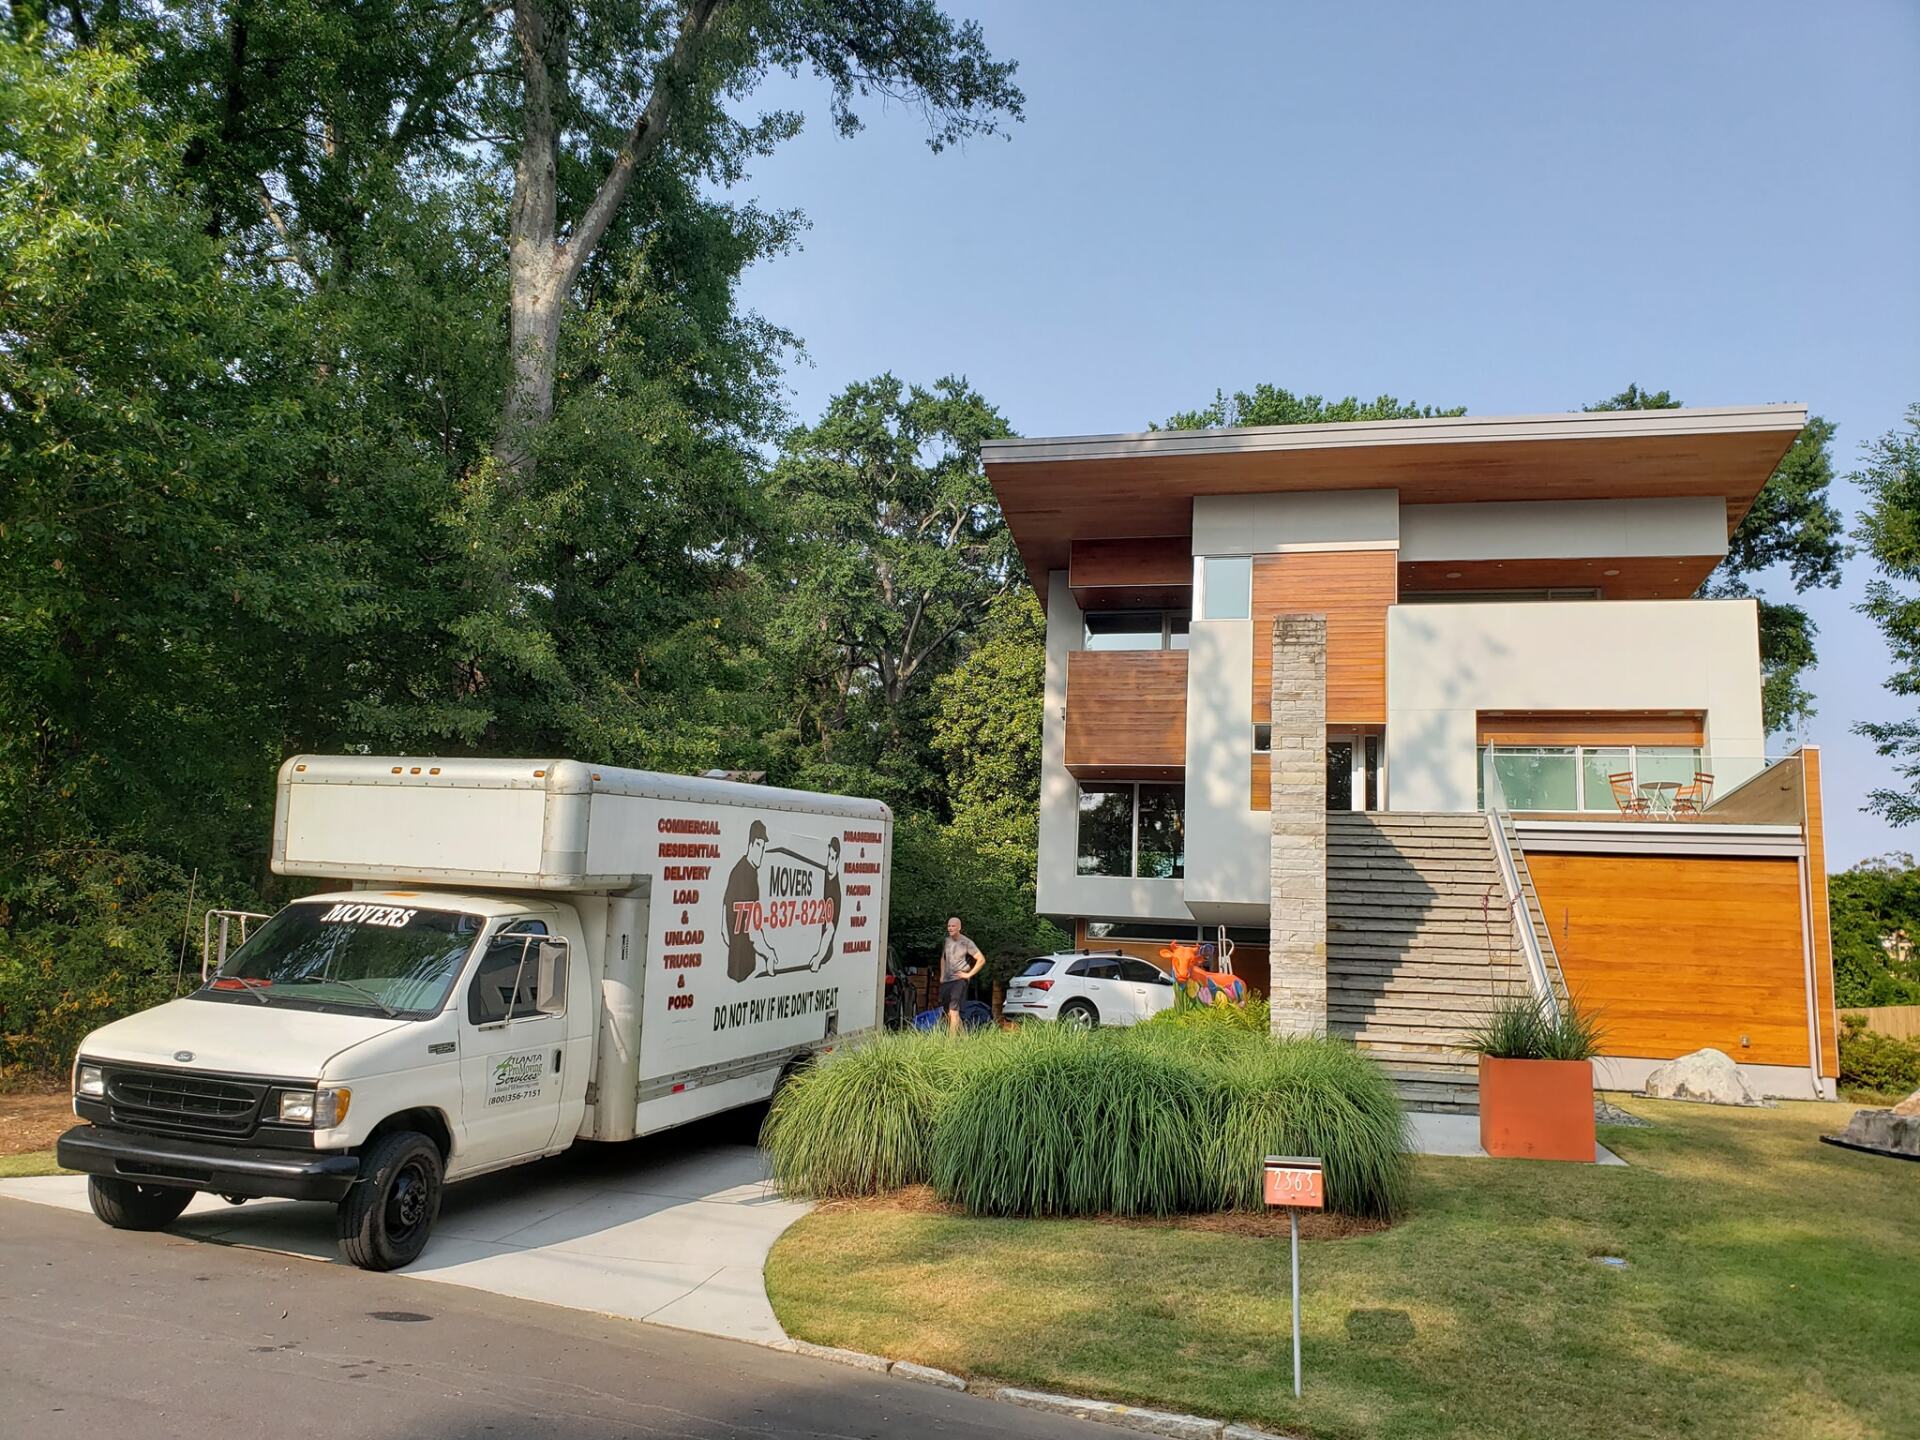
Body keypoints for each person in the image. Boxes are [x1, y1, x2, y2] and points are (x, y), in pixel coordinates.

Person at [724, 820, 773, 982]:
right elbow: (753, 929)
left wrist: (735, 949)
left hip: (734, 970)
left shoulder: (737, 871)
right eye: (759, 845)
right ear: (750, 844)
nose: (761, 852)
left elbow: (724, 929)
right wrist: (768, 953)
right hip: (746, 974)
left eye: (763, 848)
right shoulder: (746, 876)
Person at [938, 916, 985, 1035]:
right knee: (948, 1013)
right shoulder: (947, 941)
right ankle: (964, 1038)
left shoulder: (966, 942)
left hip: (959, 981)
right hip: (947, 981)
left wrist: (968, 974)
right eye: (949, 926)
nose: (950, 928)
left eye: (953, 926)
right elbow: (943, 959)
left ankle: (951, 1044)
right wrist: (942, 975)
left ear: (959, 927)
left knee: (954, 1011)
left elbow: (981, 959)